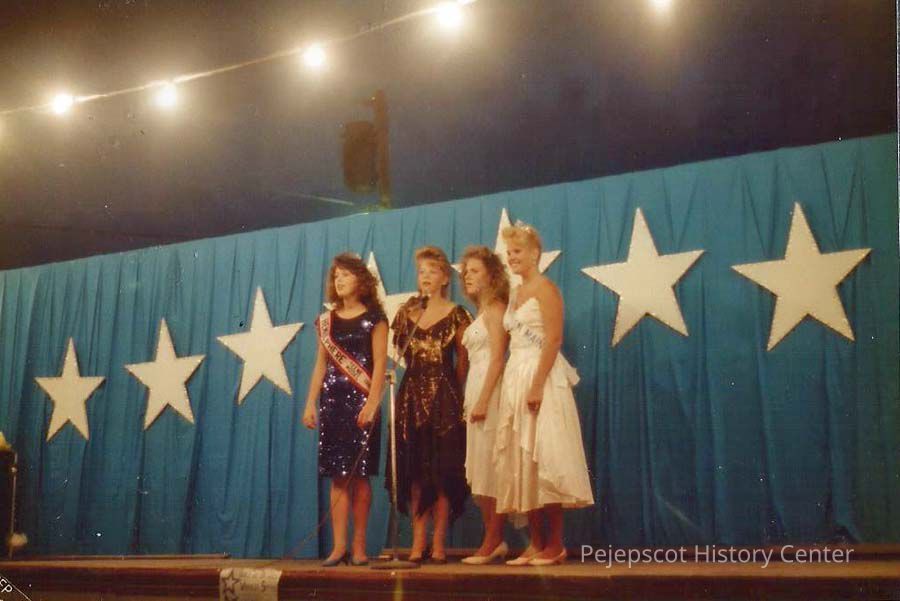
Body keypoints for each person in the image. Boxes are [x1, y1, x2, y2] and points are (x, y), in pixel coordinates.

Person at [493, 223, 594, 566]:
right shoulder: (515, 293)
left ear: (535, 254)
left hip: (541, 376)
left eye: (518, 251)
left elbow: (552, 339)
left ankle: (555, 544)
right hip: (515, 376)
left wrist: (536, 385)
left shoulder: (546, 289)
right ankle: (535, 543)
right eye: (509, 253)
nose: (512, 257)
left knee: (544, 456)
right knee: (522, 459)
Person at [387, 245, 471, 563]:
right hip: (410, 395)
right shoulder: (406, 313)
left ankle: (438, 543)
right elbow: (401, 355)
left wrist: (454, 394)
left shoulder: (457, 314)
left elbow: (462, 362)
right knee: (415, 472)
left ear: (445, 278)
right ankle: (418, 539)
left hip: (445, 396)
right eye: (421, 271)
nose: (425, 276)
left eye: (432, 271)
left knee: (443, 473)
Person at [303, 252, 388, 567]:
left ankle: (359, 546)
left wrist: (373, 403)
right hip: (333, 404)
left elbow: (380, 363)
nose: (339, 280)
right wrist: (310, 402)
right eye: (336, 276)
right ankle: (339, 547)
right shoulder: (325, 322)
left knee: (360, 476)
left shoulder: (376, 318)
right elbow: (320, 365)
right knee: (337, 477)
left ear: (361, 280)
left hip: (363, 404)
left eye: (346, 275)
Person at [459, 245, 511, 565]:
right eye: (466, 271)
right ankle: (493, 539)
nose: (467, 276)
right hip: (476, 390)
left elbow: (497, 359)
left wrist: (483, 400)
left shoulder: (495, 308)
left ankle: (493, 540)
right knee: (480, 467)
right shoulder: (480, 311)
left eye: (475, 271)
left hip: (490, 393)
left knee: (491, 467)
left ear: (491, 276)